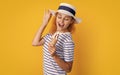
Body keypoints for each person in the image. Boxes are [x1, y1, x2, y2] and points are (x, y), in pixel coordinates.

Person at [32, 3, 81, 75]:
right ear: (56, 17)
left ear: (71, 21)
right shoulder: (52, 34)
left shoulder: (67, 40)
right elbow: (35, 43)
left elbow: (68, 69)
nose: (61, 21)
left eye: (66, 19)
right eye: (59, 17)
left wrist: (54, 55)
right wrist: (44, 23)